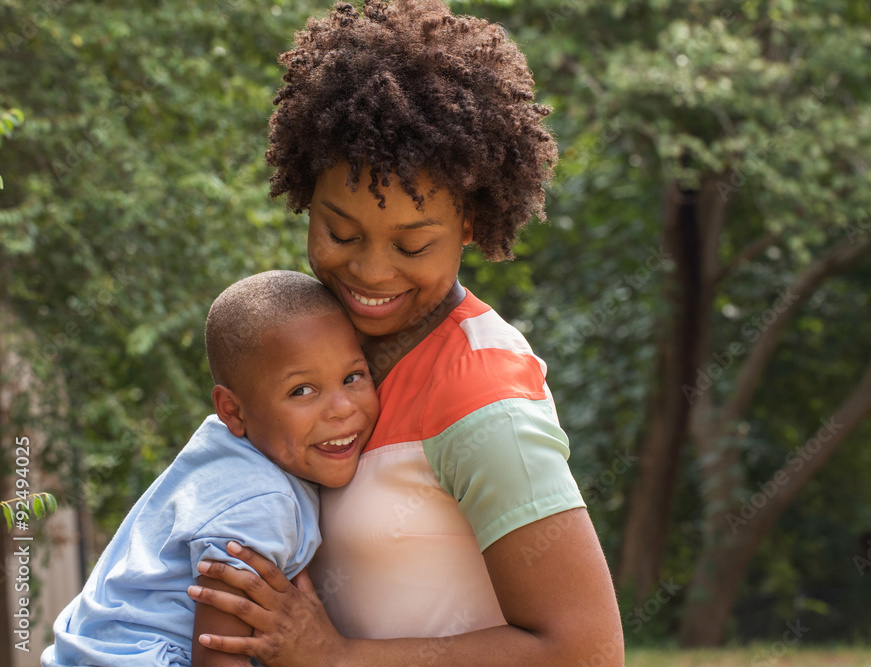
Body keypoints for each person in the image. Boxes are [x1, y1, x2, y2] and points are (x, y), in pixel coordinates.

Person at [187, 1, 625, 665]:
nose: (369, 271)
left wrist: (337, 655)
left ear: (471, 223)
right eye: (340, 232)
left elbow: (587, 648)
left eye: (413, 244)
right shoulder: (311, 348)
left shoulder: (483, 398)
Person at [42, 270, 380, 667]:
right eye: (301, 391)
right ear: (233, 411)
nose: (342, 408)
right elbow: (219, 659)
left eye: (352, 377)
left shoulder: (224, 450)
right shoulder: (259, 502)